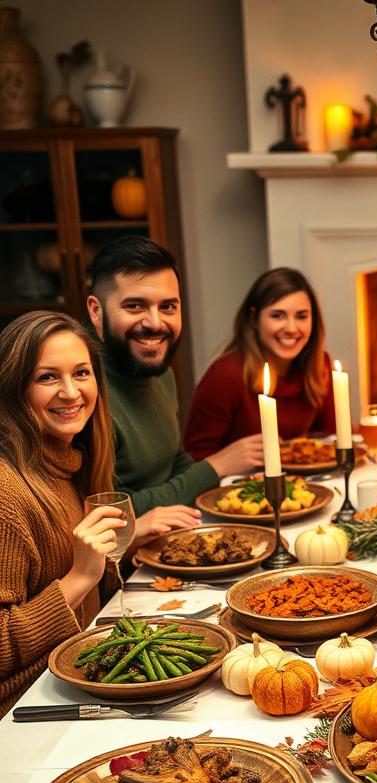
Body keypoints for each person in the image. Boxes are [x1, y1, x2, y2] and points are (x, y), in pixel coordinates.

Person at [0, 312, 197, 716]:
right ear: (13, 389)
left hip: (82, 675)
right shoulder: (7, 494)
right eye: (47, 377)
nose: (71, 392)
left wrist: (124, 543)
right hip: (29, 709)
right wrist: (80, 577)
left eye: (82, 373)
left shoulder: (70, 460)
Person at [85, 236, 264, 516]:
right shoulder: (81, 392)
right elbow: (110, 510)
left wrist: (234, 487)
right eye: (135, 306)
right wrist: (217, 466)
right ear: (97, 312)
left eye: (168, 306)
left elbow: (174, 461)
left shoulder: (161, 374)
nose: (155, 323)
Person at [184, 268, 333, 459]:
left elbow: (329, 441)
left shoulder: (319, 366)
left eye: (302, 316)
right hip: (240, 484)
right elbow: (196, 458)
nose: (291, 328)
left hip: (306, 483)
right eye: (277, 315)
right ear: (254, 319)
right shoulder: (225, 375)